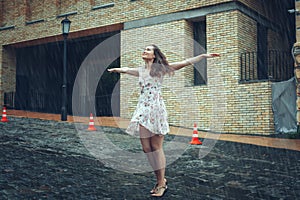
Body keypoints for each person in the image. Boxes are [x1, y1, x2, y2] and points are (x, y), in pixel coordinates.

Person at [108, 44, 220, 197]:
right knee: (146, 148)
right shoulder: (141, 70)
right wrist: (117, 69)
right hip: (142, 110)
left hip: (156, 109)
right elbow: (127, 69)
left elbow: (185, 62)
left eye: (148, 49)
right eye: (144, 49)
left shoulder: (161, 69)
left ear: (154, 55)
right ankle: (160, 179)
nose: (144, 51)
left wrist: (203, 57)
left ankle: (161, 183)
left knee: (156, 147)